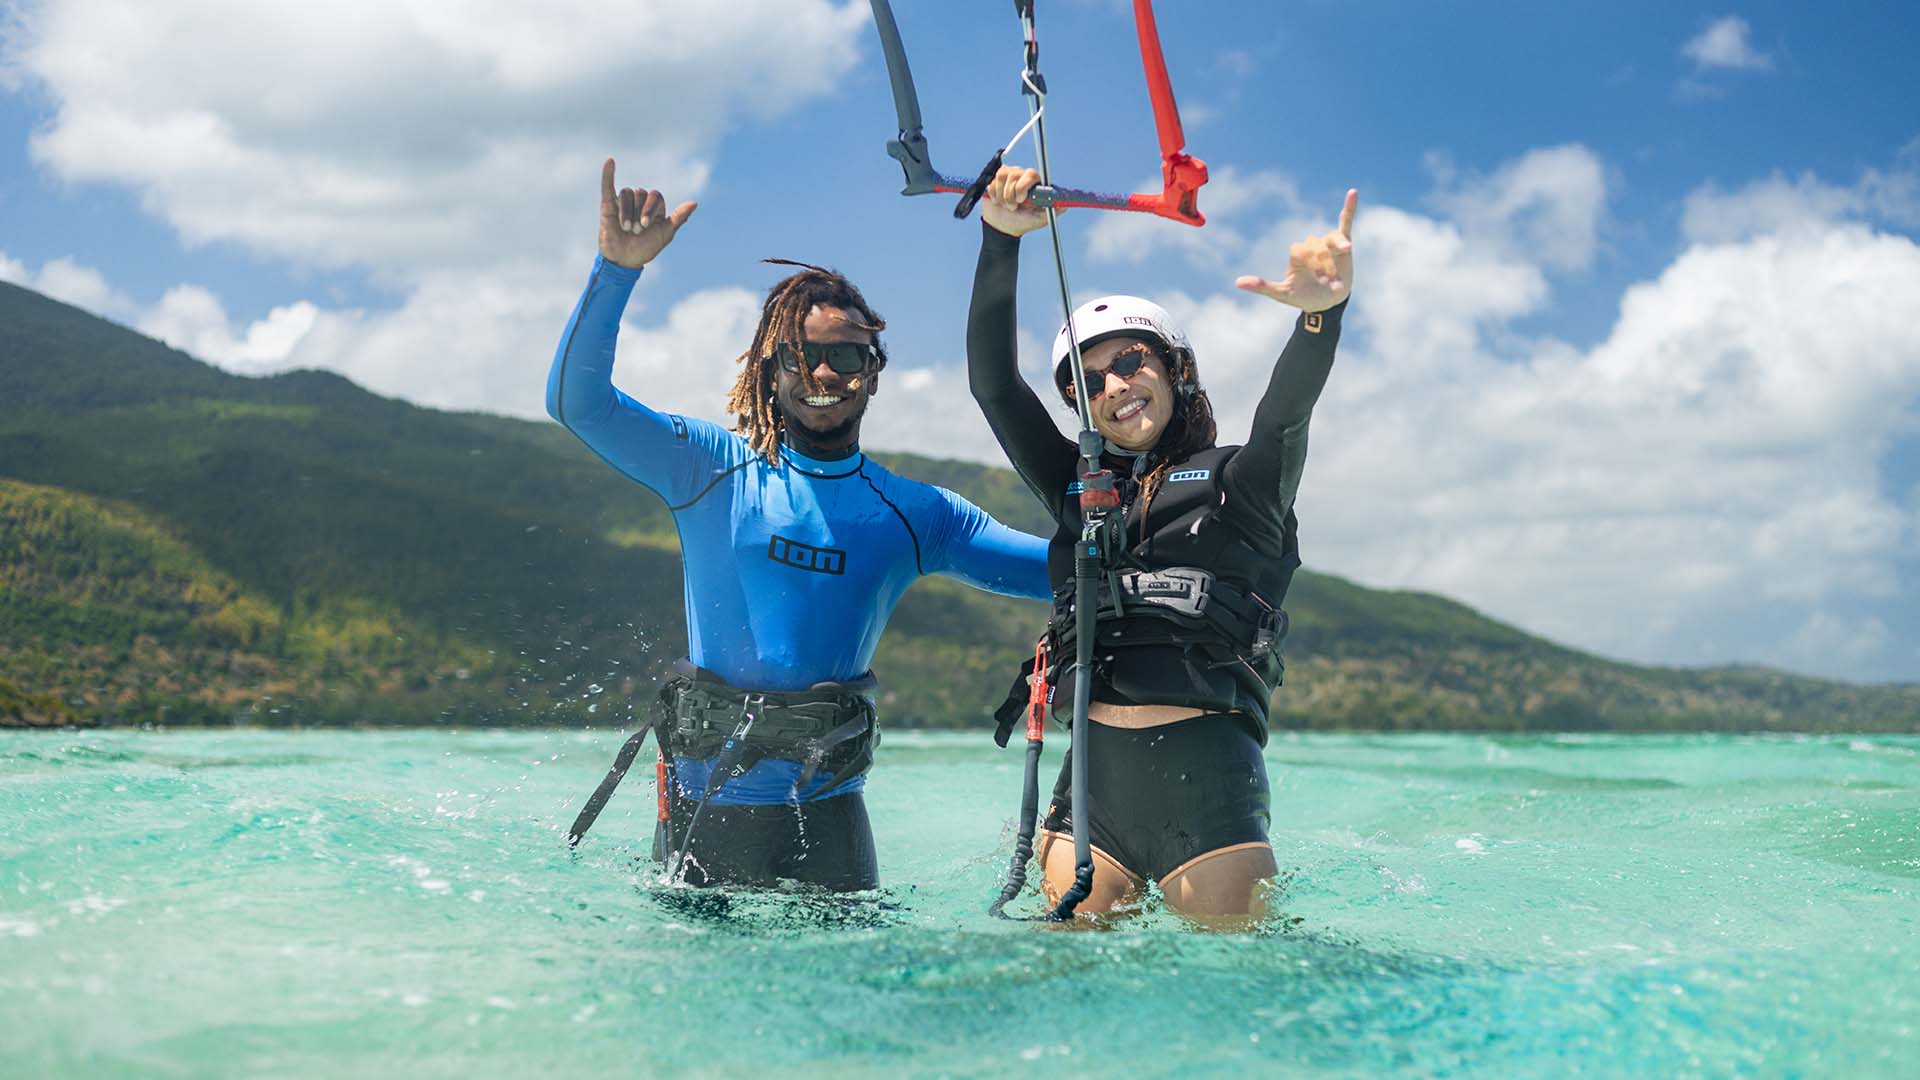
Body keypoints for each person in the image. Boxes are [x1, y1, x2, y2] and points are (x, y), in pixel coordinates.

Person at [549, 160, 1051, 891]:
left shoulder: (917, 515)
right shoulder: (709, 468)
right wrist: (615, 271)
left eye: (844, 355)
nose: (821, 373)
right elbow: (579, 405)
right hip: (702, 815)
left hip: (833, 824)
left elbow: (1063, 570)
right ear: (769, 367)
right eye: (801, 355)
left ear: (873, 369)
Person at [967, 165, 1356, 921]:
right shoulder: (1077, 494)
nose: (1113, 386)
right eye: (1087, 382)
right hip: (1089, 800)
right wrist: (1000, 238)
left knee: (1242, 1003)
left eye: (1129, 361)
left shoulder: (1244, 486)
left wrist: (1320, 318)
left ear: (1174, 370)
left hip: (1209, 793)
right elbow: (994, 388)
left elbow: (1285, 418)